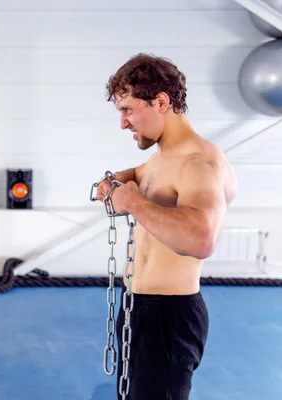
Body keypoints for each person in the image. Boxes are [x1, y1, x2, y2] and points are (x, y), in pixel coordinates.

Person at [96, 53, 237, 399]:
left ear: (161, 101)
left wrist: (132, 202)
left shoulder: (200, 162)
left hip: (168, 317)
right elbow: (143, 178)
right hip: (137, 308)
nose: (124, 124)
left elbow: (202, 238)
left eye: (128, 109)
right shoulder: (160, 159)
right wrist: (117, 179)